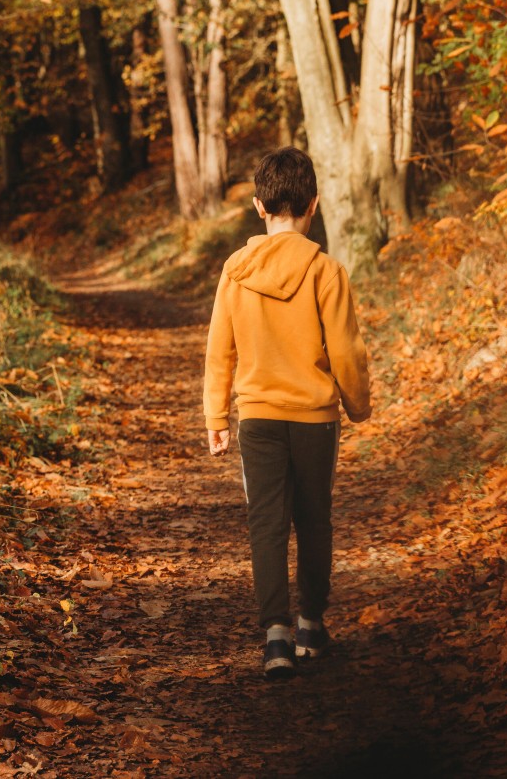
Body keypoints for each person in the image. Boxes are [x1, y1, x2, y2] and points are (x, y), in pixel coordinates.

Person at [202, 146, 371, 679]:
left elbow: (219, 348)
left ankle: (275, 637)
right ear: (314, 204)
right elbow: (345, 350)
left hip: (257, 417)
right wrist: (357, 404)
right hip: (315, 418)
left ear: (258, 206)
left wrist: (216, 417)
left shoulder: (235, 271)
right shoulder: (326, 271)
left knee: (266, 524)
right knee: (314, 519)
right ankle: (312, 626)